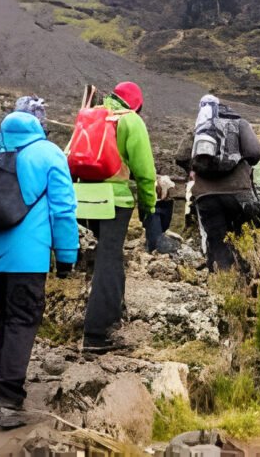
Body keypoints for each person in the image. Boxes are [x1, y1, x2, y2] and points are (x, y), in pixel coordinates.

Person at [0, 109, 78, 429]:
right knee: (23, 320)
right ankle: (9, 400)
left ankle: (3, 387)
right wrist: (67, 254)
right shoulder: (48, 154)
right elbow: (63, 209)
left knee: (2, 316)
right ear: (38, 129)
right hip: (30, 258)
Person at [80, 81, 157, 354]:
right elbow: (145, 173)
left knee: (95, 259)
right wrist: (149, 208)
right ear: (136, 104)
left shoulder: (92, 115)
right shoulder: (130, 121)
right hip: (113, 201)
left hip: (81, 199)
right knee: (109, 260)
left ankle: (108, 316)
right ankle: (97, 334)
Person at [175, 94, 260, 272]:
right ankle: (247, 278)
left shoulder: (200, 128)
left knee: (216, 239)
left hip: (206, 195)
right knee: (243, 235)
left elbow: (181, 156)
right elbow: (254, 153)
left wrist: (194, 170)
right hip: (239, 192)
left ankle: (222, 281)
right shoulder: (240, 123)